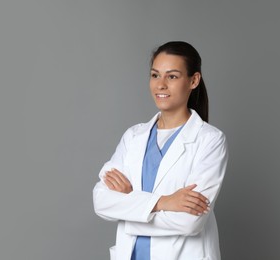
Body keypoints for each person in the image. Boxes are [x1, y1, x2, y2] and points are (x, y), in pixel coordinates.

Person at [93, 41, 228, 260]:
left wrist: (130, 207)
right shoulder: (133, 137)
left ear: (193, 81)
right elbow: (101, 201)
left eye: (172, 76)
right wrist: (164, 202)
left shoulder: (210, 140)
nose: (160, 85)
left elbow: (190, 222)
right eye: (155, 75)